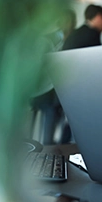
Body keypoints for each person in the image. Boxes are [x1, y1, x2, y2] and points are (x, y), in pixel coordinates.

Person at [30, 8, 76, 144]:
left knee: (48, 135)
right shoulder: (50, 39)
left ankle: (47, 156)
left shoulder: (70, 39)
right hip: (44, 91)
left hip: (53, 94)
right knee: (35, 134)